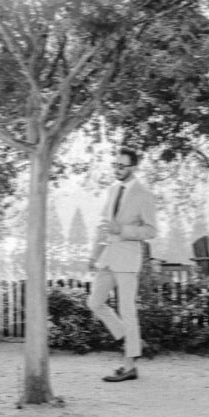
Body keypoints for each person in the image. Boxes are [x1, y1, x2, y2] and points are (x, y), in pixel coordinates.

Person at [87, 146, 157, 383]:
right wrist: (93, 255)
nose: (117, 169)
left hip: (128, 260)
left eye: (122, 166)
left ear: (134, 167)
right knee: (94, 302)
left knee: (127, 311)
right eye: (114, 165)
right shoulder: (112, 190)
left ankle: (129, 366)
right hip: (107, 257)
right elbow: (103, 224)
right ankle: (127, 338)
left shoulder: (144, 194)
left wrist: (123, 230)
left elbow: (151, 230)